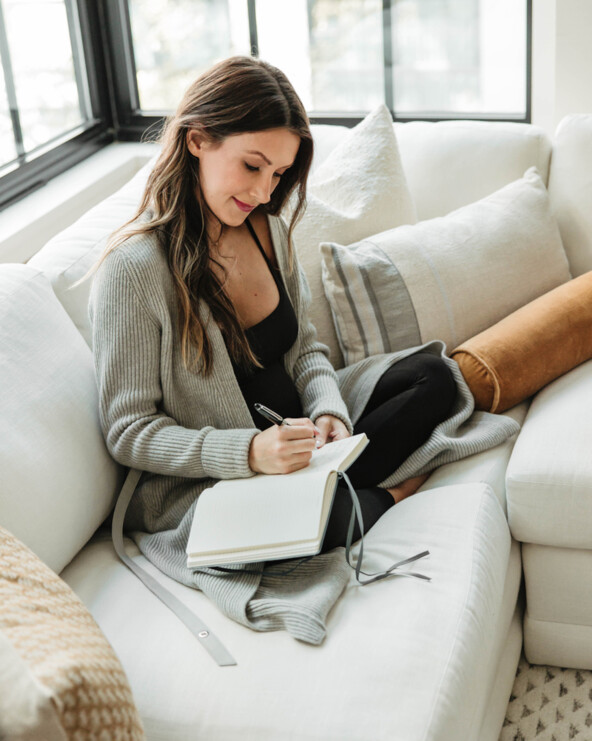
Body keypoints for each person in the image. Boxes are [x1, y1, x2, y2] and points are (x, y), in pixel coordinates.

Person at [89, 56, 519, 644]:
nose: (263, 190)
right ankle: (384, 494)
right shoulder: (132, 271)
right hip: (220, 478)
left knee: (435, 377)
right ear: (197, 140)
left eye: (278, 174)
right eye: (252, 166)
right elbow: (128, 430)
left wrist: (329, 413)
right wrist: (250, 454)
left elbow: (307, 350)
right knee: (311, 528)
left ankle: (337, 489)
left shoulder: (268, 230)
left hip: (302, 445)